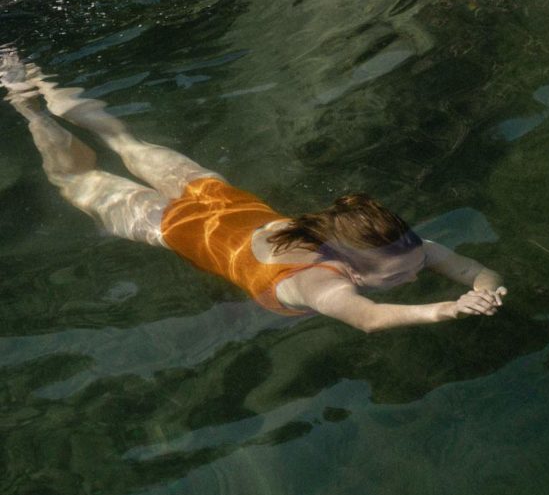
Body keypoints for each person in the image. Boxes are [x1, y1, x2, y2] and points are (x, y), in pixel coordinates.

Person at [1, 49, 507, 332]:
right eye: (400, 276)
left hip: (218, 198)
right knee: (75, 177)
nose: (416, 275)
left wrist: (485, 291)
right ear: (346, 265)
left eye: (416, 267)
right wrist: (444, 309)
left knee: (124, 140)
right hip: (172, 224)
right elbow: (369, 318)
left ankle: (38, 81)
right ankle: (27, 106)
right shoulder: (317, 283)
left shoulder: (387, 246)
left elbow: (467, 268)